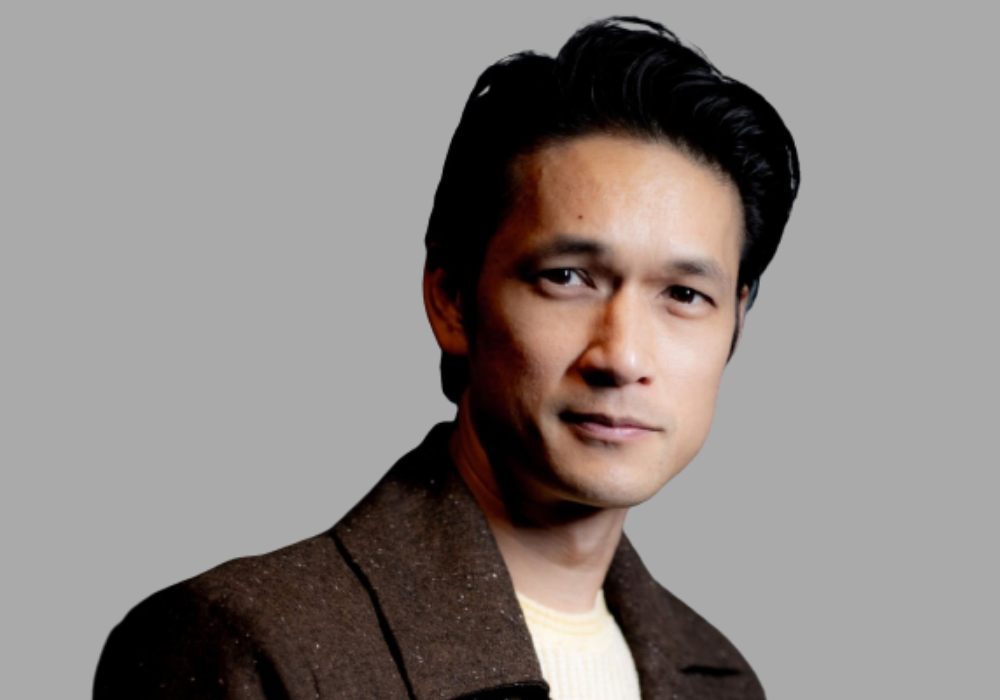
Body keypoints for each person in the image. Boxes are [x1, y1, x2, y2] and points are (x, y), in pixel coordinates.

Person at [94, 16, 799, 700]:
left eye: (683, 294)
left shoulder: (723, 680)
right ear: (452, 299)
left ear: (736, 324)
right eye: (566, 277)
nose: (622, 355)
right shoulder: (248, 643)